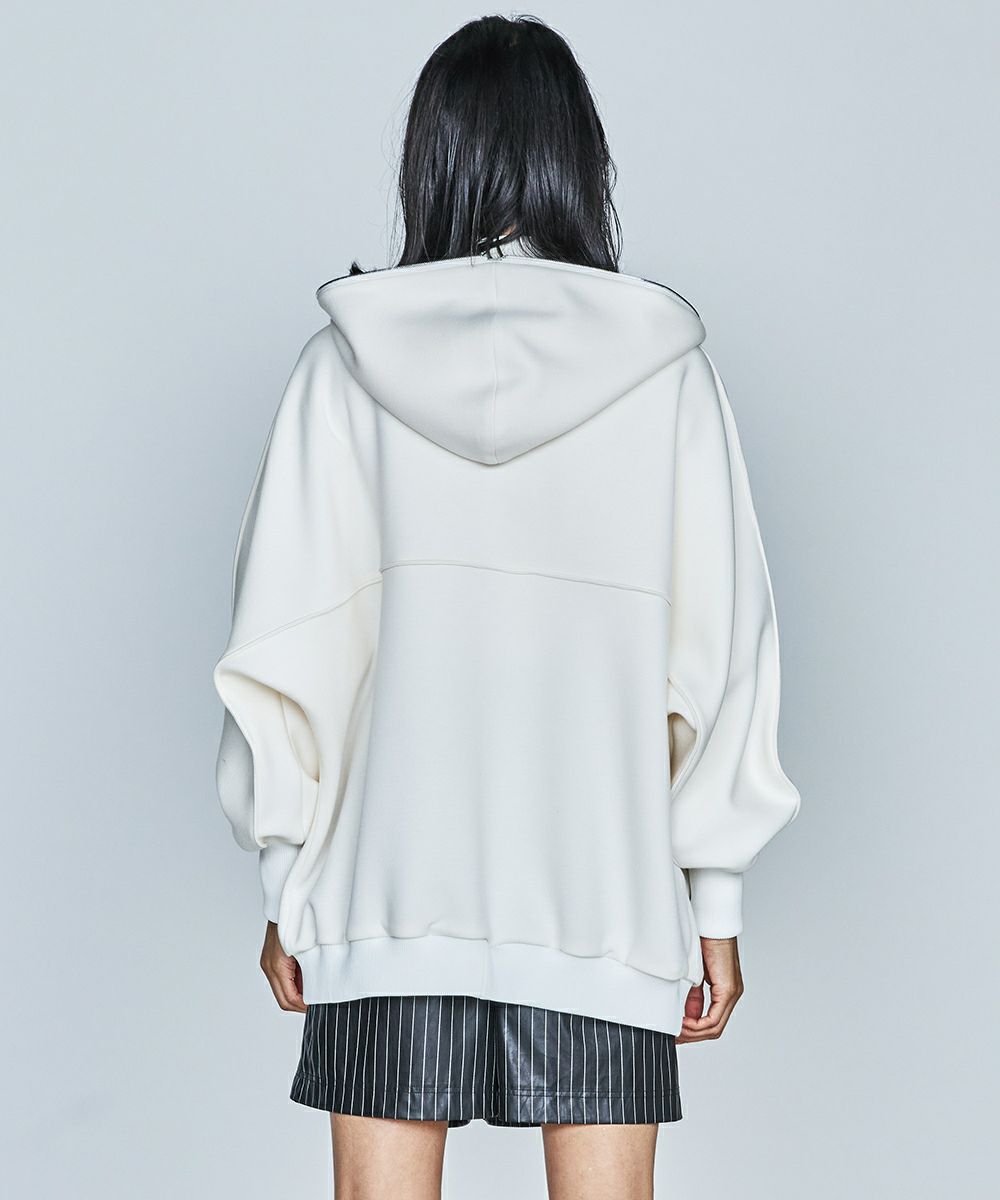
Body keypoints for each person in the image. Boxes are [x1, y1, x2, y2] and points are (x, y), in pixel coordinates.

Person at [211, 13, 801, 1199]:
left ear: (429, 157)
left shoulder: (342, 366)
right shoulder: (667, 374)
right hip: (601, 897)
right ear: (578, 159)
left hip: (384, 895)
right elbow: (720, 657)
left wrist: (285, 880)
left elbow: (284, 648)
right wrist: (716, 902)